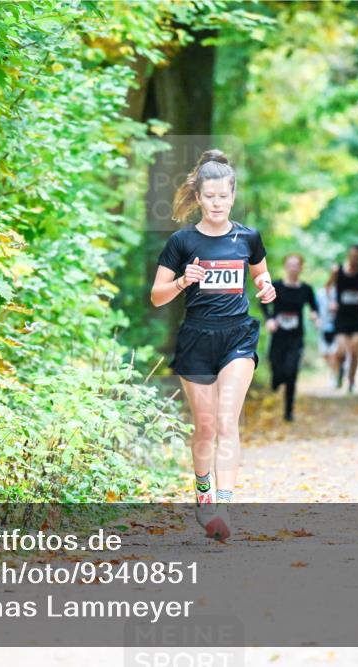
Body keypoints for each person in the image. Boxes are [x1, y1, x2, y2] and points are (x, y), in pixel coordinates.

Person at [151, 149, 276, 541]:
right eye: (210, 197)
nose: (217, 203)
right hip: (197, 339)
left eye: (224, 196)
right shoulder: (182, 241)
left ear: (233, 195)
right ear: (199, 198)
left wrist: (265, 286)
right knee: (204, 428)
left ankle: (223, 505)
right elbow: (157, 296)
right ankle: (203, 496)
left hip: (237, 335)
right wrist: (182, 282)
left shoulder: (248, 237)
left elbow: (261, 274)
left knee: (227, 422)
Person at [262, 254, 320, 422]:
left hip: (296, 337)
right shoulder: (277, 286)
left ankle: (288, 410)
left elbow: (314, 307)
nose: (293, 268)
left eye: (297, 265)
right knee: (276, 366)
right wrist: (270, 319)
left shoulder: (306, 289)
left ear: (301, 268)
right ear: (285, 266)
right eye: (290, 264)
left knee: (292, 372)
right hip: (279, 335)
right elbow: (264, 302)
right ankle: (276, 380)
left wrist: (315, 317)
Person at [325, 244, 358, 393]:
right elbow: (327, 287)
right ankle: (339, 372)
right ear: (348, 255)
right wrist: (331, 301)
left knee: (354, 351)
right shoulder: (337, 270)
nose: (353, 259)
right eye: (351, 255)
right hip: (342, 316)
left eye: (356, 256)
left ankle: (351, 381)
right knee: (341, 351)